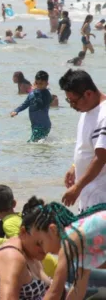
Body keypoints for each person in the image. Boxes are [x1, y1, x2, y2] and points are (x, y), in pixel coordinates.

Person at [0, 197, 54, 300]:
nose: (45, 249)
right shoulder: (12, 257)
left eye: (49, 244)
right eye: (39, 243)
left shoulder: (31, 255)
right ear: (23, 232)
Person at [28, 201, 106, 299]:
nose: (44, 250)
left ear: (53, 230)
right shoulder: (80, 247)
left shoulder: (71, 240)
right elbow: (78, 290)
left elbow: (55, 292)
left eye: (41, 242)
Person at [59, 69, 106, 209]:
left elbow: (101, 157)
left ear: (88, 94)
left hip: (101, 197)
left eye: (74, 101)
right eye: (69, 101)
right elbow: (88, 148)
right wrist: (75, 166)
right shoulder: (88, 110)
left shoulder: (103, 115)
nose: (73, 106)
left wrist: (77, 187)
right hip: (89, 194)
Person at [11, 70, 52, 142]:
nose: (39, 85)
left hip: (43, 125)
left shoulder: (47, 94)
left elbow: (41, 104)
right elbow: (25, 104)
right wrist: (16, 111)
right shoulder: (32, 94)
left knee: (31, 143)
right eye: (37, 83)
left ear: (47, 84)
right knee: (37, 144)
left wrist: (35, 91)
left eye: (41, 84)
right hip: (34, 125)